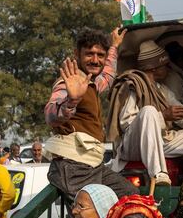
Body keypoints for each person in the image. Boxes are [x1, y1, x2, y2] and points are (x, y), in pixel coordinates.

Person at [107, 40, 183, 186]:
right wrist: (164, 116)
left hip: (161, 140)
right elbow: (127, 123)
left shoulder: (162, 90)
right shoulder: (133, 84)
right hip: (135, 145)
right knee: (149, 111)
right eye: (165, 65)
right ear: (154, 68)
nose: (168, 68)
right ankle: (159, 174)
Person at [44, 27, 137, 199]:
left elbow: (107, 77)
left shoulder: (90, 82)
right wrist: (71, 101)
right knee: (90, 217)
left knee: (130, 195)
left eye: (100, 55)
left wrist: (114, 46)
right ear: (77, 54)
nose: (95, 60)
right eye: (89, 54)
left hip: (92, 164)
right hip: (73, 166)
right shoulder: (70, 83)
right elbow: (50, 115)